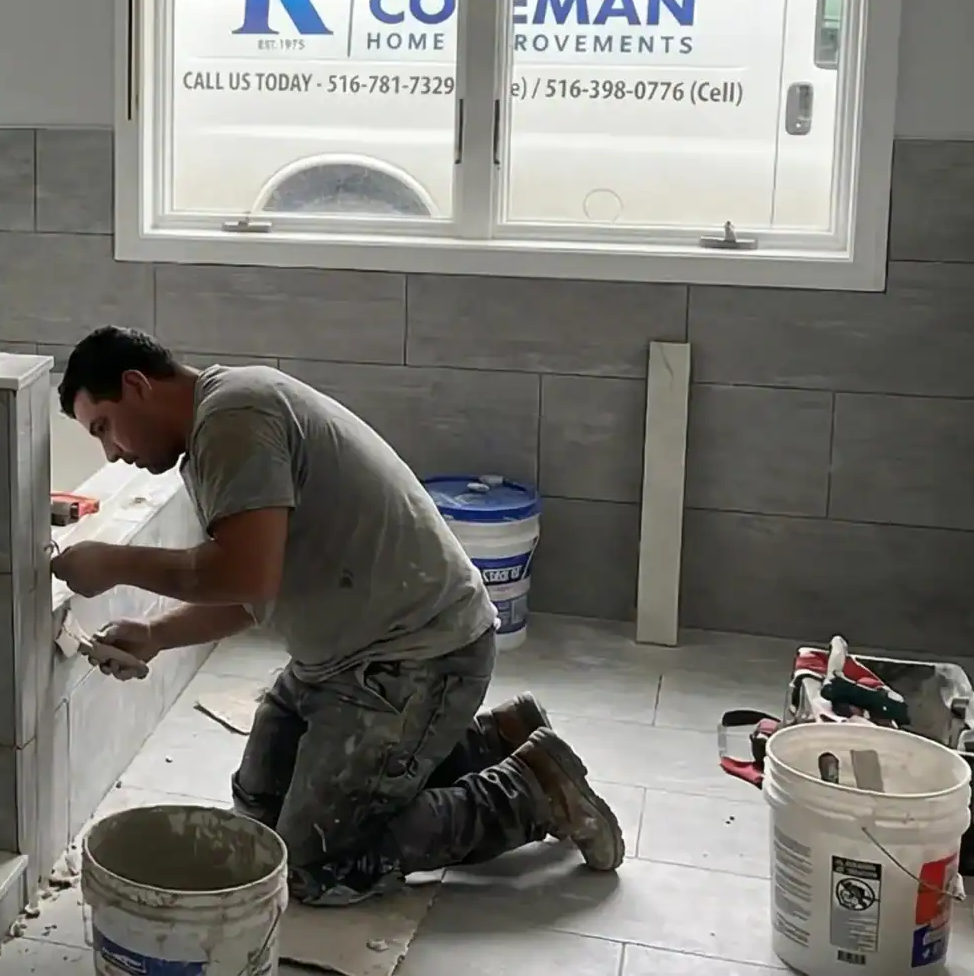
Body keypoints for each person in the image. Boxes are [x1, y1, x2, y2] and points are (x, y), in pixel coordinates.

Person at [47, 326, 623, 905]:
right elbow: (258, 591)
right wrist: (153, 634)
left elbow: (244, 574)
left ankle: (532, 791)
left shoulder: (234, 418)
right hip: (347, 656)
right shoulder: (212, 433)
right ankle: (493, 740)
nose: (111, 452)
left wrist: (115, 562)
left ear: (136, 384)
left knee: (315, 863)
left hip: (417, 656)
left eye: (103, 428)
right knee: (260, 820)